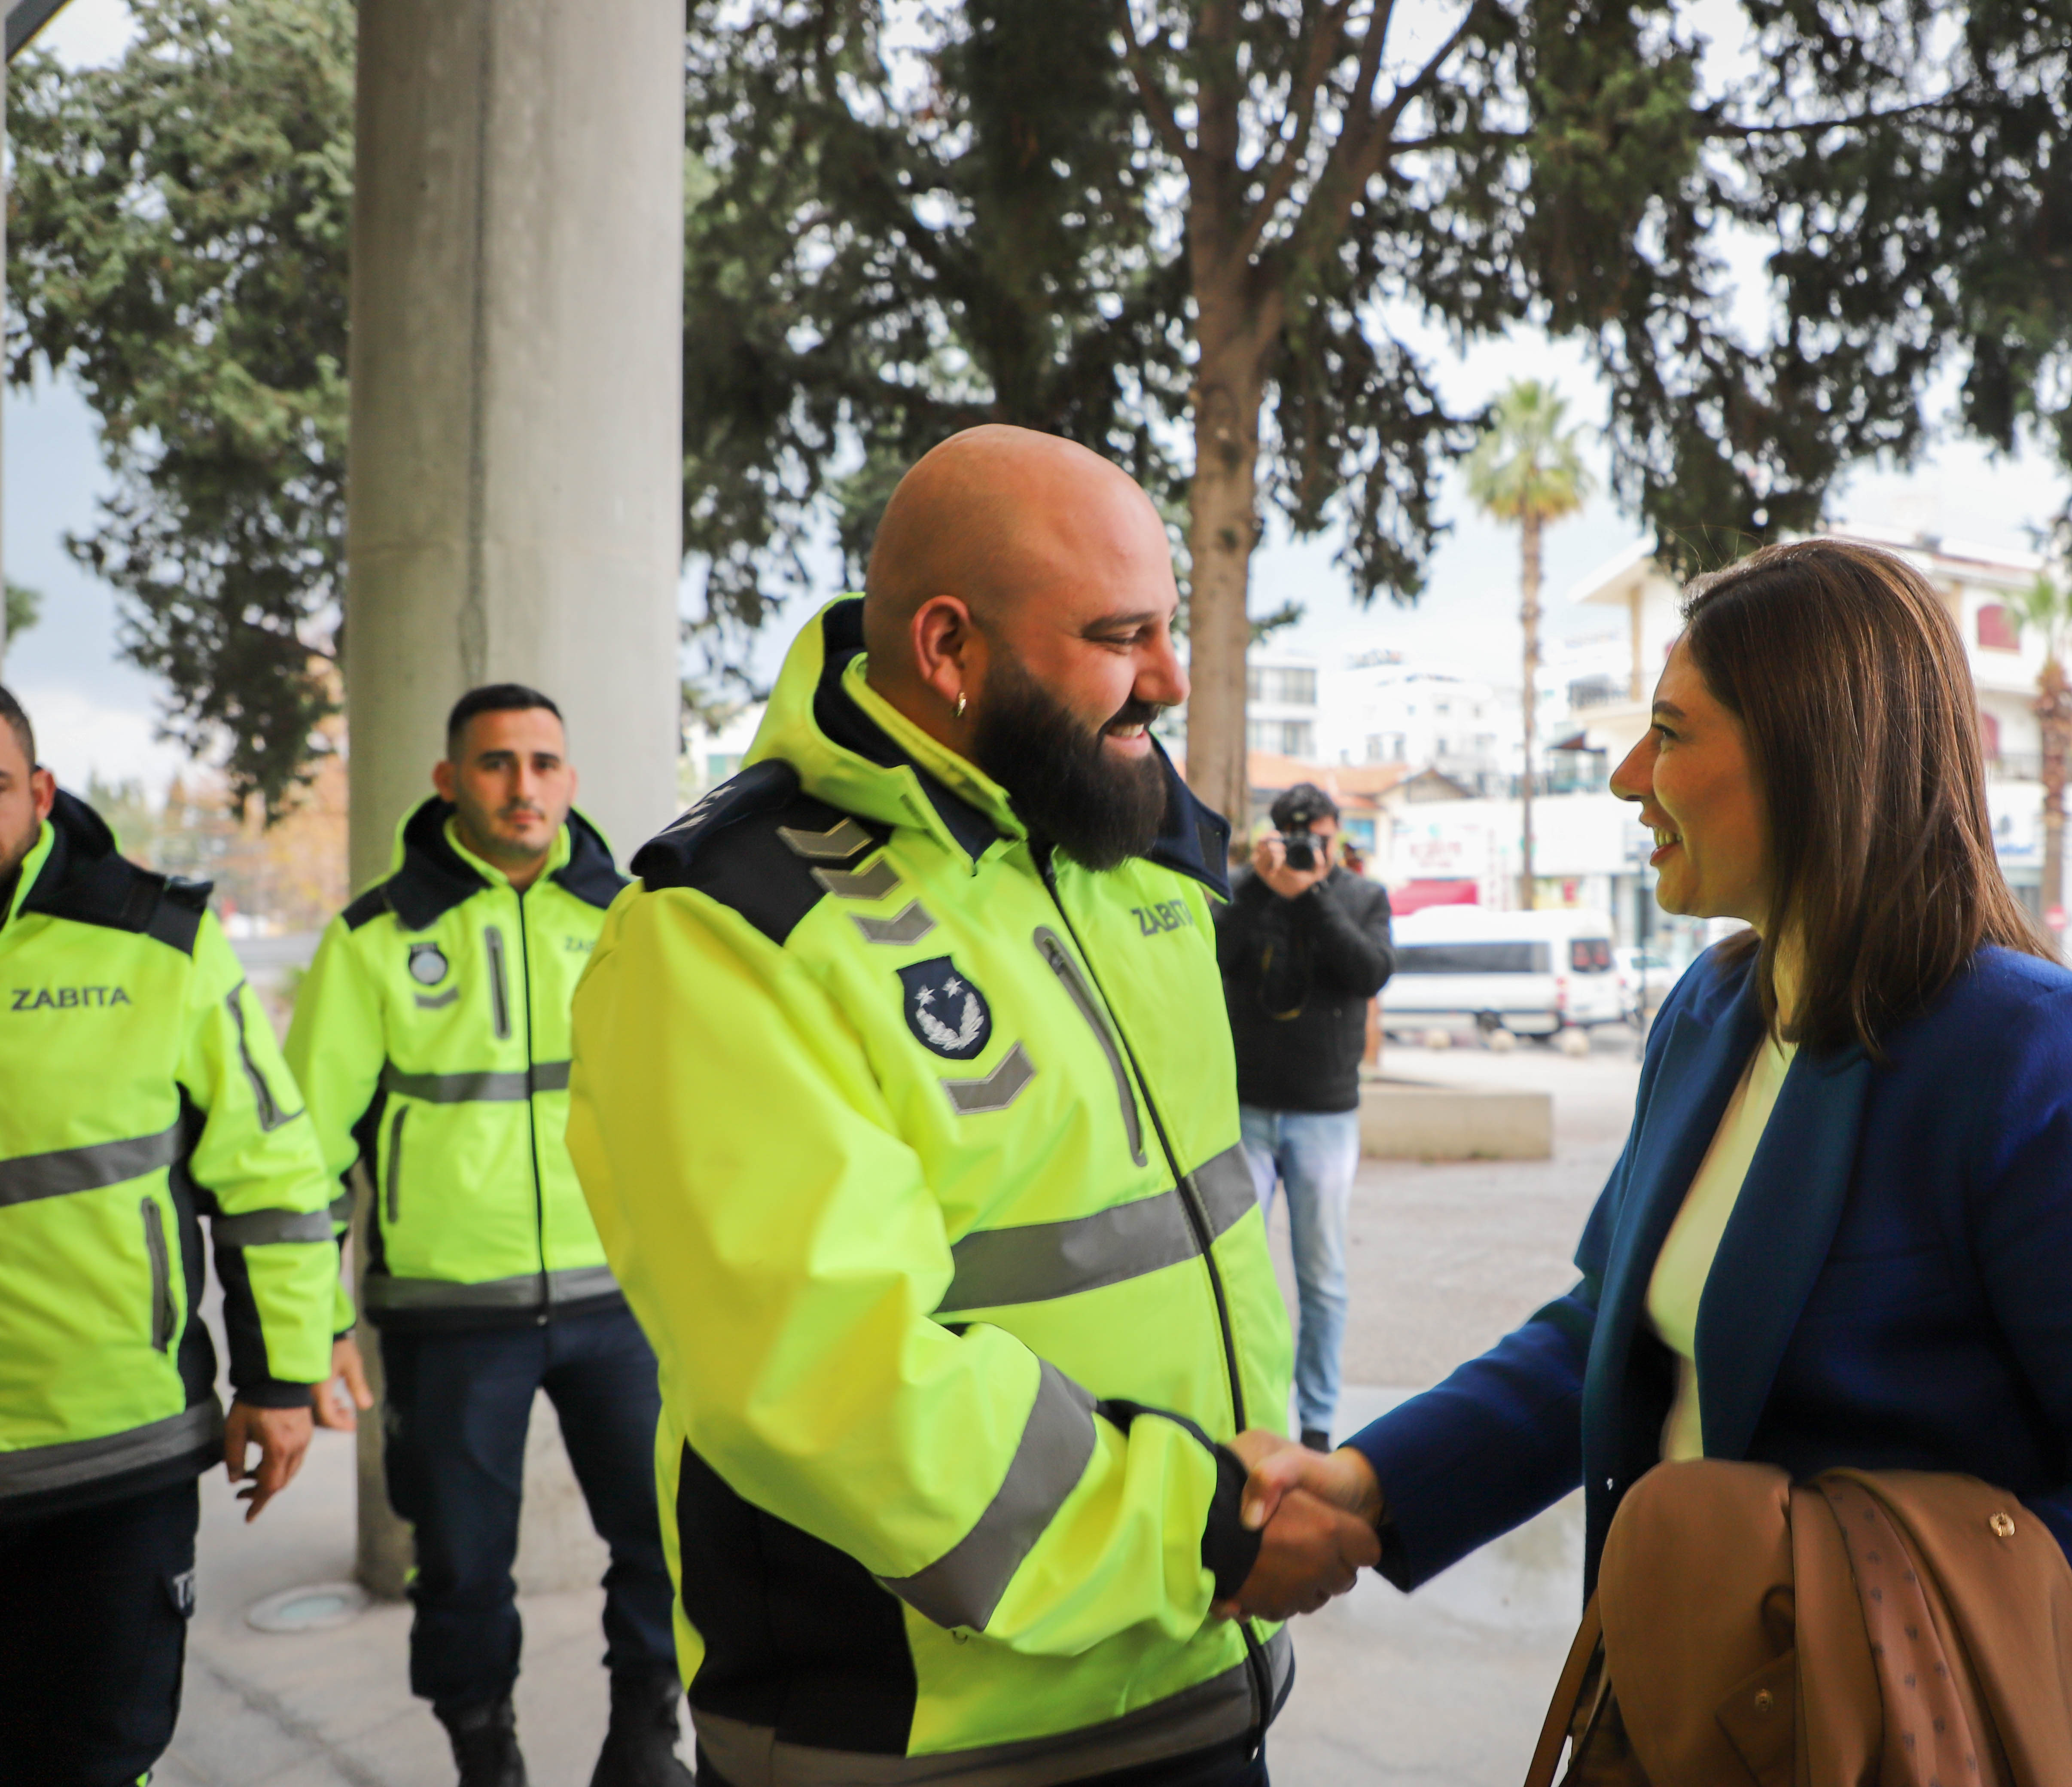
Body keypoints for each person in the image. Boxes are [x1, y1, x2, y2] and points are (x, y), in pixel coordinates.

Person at [1242, 540, 2072, 1787]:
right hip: (1703, 1732)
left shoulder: (2040, 1063)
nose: (1628, 776)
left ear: (1817, 760)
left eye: (1670, 733)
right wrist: (1371, 1483)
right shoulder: (1712, 1013)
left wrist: (1842, 1644)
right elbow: (1610, 1339)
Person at [566, 425, 1376, 1787]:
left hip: (1199, 1678)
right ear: (948, 647)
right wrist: (1201, 1533)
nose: (1169, 679)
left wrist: (1229, 1538)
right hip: (932, 1743)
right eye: (1121, 637)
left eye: (1168, 628)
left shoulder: (1130, 842)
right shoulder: (723, 929)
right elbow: (835, 1377)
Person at [284, 686, 684, 1787]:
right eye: (497, 763)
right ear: (448, 780)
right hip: (449, 1312)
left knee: (670, 1535)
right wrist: (315, 1326)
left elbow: (692, 1106)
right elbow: (305, 1153)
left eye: (544, 763)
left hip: (623, 1302)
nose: (524, 786)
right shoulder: (374, 938)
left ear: (571, 780)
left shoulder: (633, 920)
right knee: (461, 1567)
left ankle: (646, 1736)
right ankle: (484, 1752)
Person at [0, 682, 343, 1785]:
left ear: (40, 794)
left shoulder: (158, 938)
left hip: (114, 1448)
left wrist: (280, 1378)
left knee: (96, 1758)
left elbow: (270, 1172)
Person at [1215, 784, 1393, 1452]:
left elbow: (1371, 972)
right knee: (1238, 1272)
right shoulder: (1243, 890)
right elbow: (1207, 957)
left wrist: (1314, 894)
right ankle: (1249, 1415)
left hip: (1324, 1113)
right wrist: (1261, 891)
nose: (1302, 849)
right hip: (1246, 1109)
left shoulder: (1360, 896)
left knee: (1322, 1279)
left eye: (1315, 837)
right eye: (1292, 837)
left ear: (1336, 832)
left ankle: (1316, 1426)